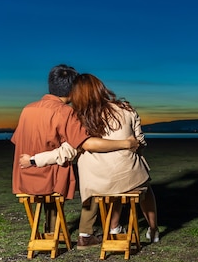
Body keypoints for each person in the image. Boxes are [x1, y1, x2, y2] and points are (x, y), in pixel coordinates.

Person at [20, 73, 159, 243]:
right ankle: (153, 230)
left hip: (97, 184)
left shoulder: (79, 118)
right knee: (139, 183)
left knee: (108, 180)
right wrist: (130, 150)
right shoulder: (126, 109)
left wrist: (33, 160)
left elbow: (66, 151)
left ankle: (111, 229)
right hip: (128, 177)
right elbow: (140, 142)